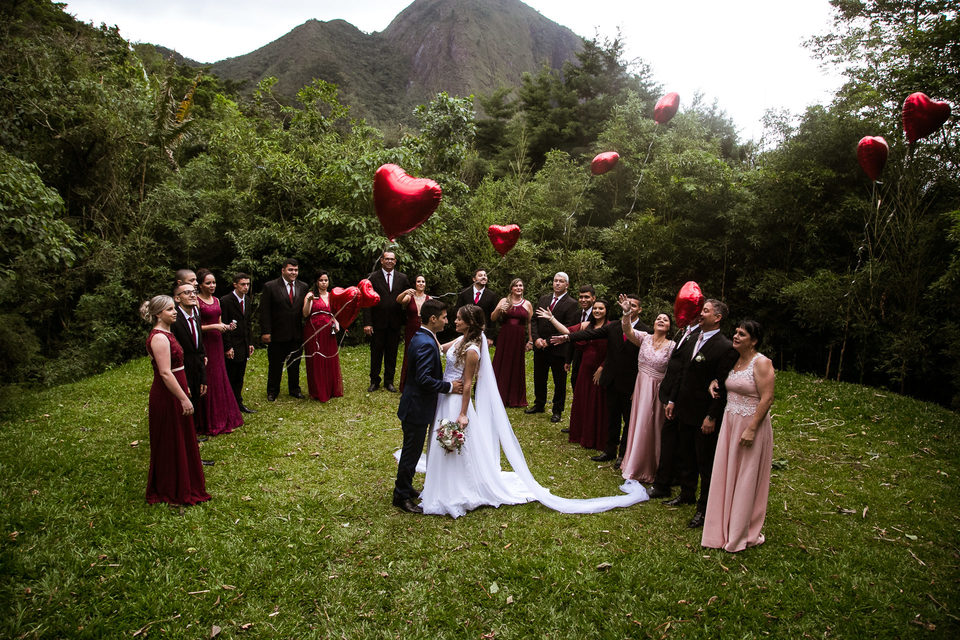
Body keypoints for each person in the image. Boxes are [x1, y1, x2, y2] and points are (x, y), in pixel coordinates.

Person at [416, 305, 649, 518]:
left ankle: (457, 486)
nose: (454, 321)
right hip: (445, 396)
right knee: (441, 440)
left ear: (469, 322)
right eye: (453, 318)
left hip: (457, 401)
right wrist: (427, 331)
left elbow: (468, 383)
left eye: (458, 318)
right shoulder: (462, 338)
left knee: (457, 443)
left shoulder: (473, 349)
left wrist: (464, 413)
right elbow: (440, 347)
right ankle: (443, 482)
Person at [664, 300, 738, 529]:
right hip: (683, 407)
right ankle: (687, 493)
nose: (700, 314)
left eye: (705, 311)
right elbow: (682, 372)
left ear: (717, 318)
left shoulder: (725, 347)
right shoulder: (693, 338)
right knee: (685, 453)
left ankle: (704, 508)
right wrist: (673, 399)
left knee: (704, 461)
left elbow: (722, 386)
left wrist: (712, 416)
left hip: (703, 413)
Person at [702, 320, 775, 552]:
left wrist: (752, 428)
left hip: (750, 423)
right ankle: (721, 525)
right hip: (730, 422)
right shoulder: (735, 359)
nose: (735, 336)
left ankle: (739, 531)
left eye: (741, 334)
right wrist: (715, 382)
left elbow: (767, 398)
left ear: (753, 340)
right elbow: (728, 381)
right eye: (735, 332)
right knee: (726, 471)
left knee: (745, 475)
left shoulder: (762, 362)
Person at [551, 294, 649, 464]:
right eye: (628, 305)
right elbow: (589, 334)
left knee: (628, 420)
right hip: (611, 380)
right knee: (612, 417)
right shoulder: (614, 326)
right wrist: (567, 337)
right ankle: (609, 450)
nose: (630, 308)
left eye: (634, 306)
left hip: (631, 382)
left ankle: (623, 455)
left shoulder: (647, 330)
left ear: (639, 309)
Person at [394, 299, 463, 513]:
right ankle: (401, 496)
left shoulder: (424, 336)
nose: (447, 321)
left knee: (413, 451)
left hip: (416, 405)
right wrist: (449, 386)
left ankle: (405, 487)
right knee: (411, 453)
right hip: (416, 407)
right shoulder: (424, 342)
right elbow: (424, 379)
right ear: (433, 319)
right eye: (444, 317)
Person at [140, 295, 210, 506]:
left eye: (174, 308)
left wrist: (185, 387)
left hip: (177, 388)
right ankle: (171, 488)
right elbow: (165, 373)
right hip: (168, 394)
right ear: (158, 314)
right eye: (170, 309)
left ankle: (184, 482)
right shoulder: (159, 337)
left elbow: (176, 368)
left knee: (181, 437)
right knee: (172, 439)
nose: (175, 312)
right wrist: (183, 398)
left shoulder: (167, 333)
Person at [538, 300, 611, 450]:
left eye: (600, 308)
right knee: (583, 398)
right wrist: (552, 319)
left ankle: (595, 435)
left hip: (600, 369)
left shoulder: (610, 327)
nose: (597, 311)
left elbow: (614, 350)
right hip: (585, 366)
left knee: (597, 401)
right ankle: (581, 432)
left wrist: (602, 367)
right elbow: (567, 331)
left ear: (606, 310)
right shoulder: (585, 326)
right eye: (595, 308)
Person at [619, 305, 675, 483]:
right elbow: (627, 330)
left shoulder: (672, 346)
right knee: (638, 422)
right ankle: (634, 463)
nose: (661, 320)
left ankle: (651, 466)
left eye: (665, 320)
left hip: (658, 389)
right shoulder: (644, 338)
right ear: (653, 322)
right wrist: (627, 313)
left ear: (669, 327)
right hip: (641, 384)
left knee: (652, 425)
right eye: (659, 318)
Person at [647, 316, 702, 500]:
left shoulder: (698, 336)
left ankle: (669, 482)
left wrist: (674, 398)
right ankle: (665, 480)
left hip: (684, 397)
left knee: (677, 442)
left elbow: (686, 368)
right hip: (673, 393)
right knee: (670, 439)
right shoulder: (684, 332)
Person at [527, 272, 580, 423]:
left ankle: (557, 410)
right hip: (540, 347)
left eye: (561, 281)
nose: (557, 283)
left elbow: (568, 327)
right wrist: (536, 339)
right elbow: (535, 320)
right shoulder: (544, 299)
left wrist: (548, 341)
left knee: (559, 381)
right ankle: (539, 403)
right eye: (555, 281)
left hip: (558, 348)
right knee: (539, 377)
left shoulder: (572, 303)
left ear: (567, 285)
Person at [196, 269, 243, 436]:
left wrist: (226, 327)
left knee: (220, 376)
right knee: (209, 377)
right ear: (200, 285)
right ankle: (209, 419)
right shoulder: (196, 301)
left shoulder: (216, 300)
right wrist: (214, 327)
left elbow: (219, 321)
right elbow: (194, 327)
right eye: (208, 283)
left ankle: (224, 415)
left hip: (217, 342)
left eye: (213, 282)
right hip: (205, 342)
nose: (212, 285)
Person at [260, 258, 308, 401]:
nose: (294, 272)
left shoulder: (303, 286)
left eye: (296, 270)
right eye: (290, 270)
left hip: (297, 333)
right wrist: (266, 332)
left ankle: (294, 389)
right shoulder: (270, 287)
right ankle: (272, 391)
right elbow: (265, 311)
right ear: (283, 270)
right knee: (275, 364)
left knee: (295, 364)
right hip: (277, 333)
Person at [363, 250, 410, 393]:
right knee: (376, 353)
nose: (389, 261)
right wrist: (367, 322)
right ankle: (374, 381)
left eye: (392, 259)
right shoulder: (372, 278)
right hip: (377, 322)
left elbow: (408, 298)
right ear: (382, 261)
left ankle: (389, 381)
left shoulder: (402, 278)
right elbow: (366, 301)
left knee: (392, 353)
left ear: (395, 262)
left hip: (395, 323)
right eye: (386, 259)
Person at [170, 283, 207, 434]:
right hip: (182, 368)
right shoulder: (174, 320)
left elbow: (200, 347)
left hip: (197, 365)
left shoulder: (196, 314)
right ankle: (185, 435)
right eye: (187, 293)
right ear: (177, 298)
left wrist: (203, 376)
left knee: (196, 398)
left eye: (194, 292)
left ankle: (194, 432)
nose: (192, 295)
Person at [490, 278, 533, 407]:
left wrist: (530, 340)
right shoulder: (504, 301)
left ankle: (514, 397)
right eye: (516, 286)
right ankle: (498, 395)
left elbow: (530, 323)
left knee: (516, 364)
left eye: (521, 285)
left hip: (519, 337)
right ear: (511, 288)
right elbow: (493, 318)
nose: (519, 288)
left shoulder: (527, 304)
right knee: (502, 363)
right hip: (505, 336)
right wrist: (499, 310)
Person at [302, 271, 343, 402]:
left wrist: (336, 324)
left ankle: (331, 388)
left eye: (326, 280)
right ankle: (318, 390)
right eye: (321, 280)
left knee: (330, 357)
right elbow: (305, 313)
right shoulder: (311, 295)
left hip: (328, 331)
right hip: (314, 330)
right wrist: (308, 301)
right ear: (316, 282)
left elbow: (336, 313)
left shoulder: (332, 296)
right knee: (317, 358)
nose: (324, 283)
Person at [220, 272, 255, 413]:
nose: (246, 287)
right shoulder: (226, 301)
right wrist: (227, 347)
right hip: (232, 343)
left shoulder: (247, 300)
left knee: (240, 374)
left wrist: (250, 342)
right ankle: (228, 403)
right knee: (231, 374)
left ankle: (238, 402)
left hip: (243, 343)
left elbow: (247, 323)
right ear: (235, 284)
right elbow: (224, 325)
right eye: (243, 284)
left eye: (248, 284)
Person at [397, 274, 430, 391]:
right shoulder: (409, 297)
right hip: (411, 328)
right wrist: (405, 292)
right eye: (418, 281)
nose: (421, 283)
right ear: (415, 284)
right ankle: (406, 383)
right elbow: (399, 300)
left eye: (423, 282)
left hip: (424, 329)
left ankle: (422, 381)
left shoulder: (429, 299)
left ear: (425, 284)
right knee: (409, 354)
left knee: (424, 354)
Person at [456, 268, 498, 346]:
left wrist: (490, 337)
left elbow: (493, 318)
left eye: (485, 275)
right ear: (474, 279)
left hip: (483, 333)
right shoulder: (464, 293)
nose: (484, 277)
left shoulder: (492, 295)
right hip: (465, 331)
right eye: (480, 275)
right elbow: (458, 312)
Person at [570, 285, 596, 390]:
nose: (583, 300)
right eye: (581, 297)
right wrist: (568, 360)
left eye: (586, 297)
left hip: (592, 357)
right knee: (575, 381)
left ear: (593, 298)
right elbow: (571, 337)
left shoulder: (598, 314)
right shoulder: (576, 314)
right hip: (577, 356)